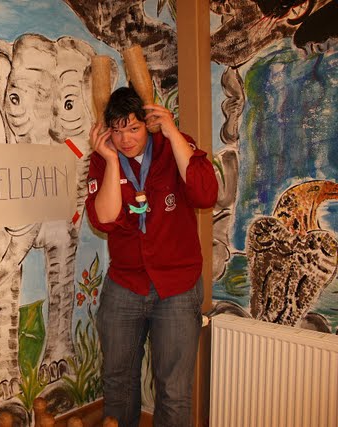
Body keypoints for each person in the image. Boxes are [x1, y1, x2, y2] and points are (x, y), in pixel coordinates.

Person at [85, 86, 218, 427]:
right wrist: (111, 161)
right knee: (117, 382)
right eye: (117, 130)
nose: (125, 139)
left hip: (177, 287)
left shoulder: (173, 147)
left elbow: (205, 195)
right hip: (125, 284)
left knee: (174, 389)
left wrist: (172, 131)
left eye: (133, 128)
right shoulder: (103, 158)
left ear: (148, 124)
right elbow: (105, 219)